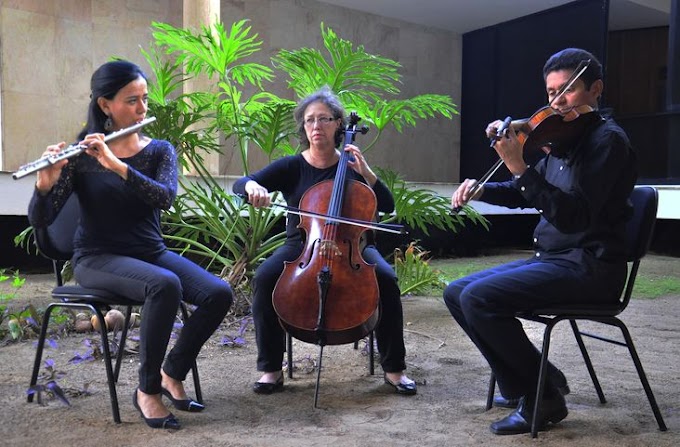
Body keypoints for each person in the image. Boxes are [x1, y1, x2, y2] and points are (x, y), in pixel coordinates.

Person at [27, 60, 233, 430]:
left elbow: (164, 197)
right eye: (131, 101)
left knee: (219, 292)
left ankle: (173, 371)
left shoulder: (159, 151)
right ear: (105, 105)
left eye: (144, 99)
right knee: (163, 284)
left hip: (150, 252)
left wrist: (118, 166)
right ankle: (147, 391)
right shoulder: (80, 156)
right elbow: (42, 219)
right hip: (97, 258)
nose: (142, 109)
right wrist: (45, 183)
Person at [444, 48, 637, 435]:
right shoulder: (563, 139)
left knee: (479, 298)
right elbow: (525, 191)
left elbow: (573, 216)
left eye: (566, 90)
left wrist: (518, 164)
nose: (556, 102)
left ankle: (543, 397)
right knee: (456, 291)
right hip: (554, 257)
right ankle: (534, 379)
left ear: (595, 89)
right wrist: (482, 191)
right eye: (550, 93)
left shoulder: (607, 143)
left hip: (591, 267)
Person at [232, 86, 416, 396]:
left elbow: (386, 204)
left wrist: (367, 172)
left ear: (338, 125)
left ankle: (394, 368)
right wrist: (253, 186)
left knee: (386, 279)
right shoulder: (292, 166)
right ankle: (270, 369)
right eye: (309, 120)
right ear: (303, 127)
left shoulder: (352, 165)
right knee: (264, 278)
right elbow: (241, 184)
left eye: (324, 119)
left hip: (356, 245)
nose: (316, 126)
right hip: (303, 244)